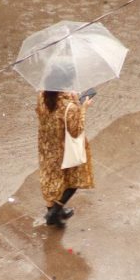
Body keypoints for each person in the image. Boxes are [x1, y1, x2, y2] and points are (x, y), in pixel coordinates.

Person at [36, 89, 95, 228]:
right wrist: (82, 108)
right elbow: (76, 130)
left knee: (51, 178)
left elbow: (41, 113)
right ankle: (54, 213)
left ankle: (54, 212)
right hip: (64, 149)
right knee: (74, 179)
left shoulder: (42, 96)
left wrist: (73, 101)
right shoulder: (69, 106)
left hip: (47, 144)